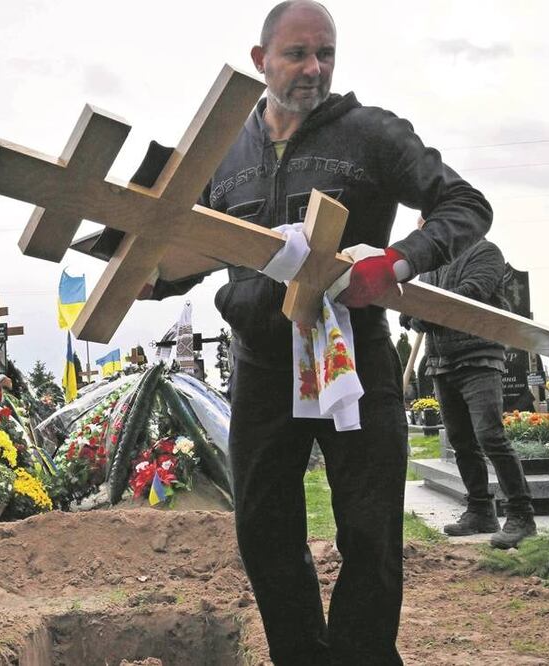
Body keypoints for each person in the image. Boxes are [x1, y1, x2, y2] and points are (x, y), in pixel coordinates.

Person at [144, 2, 492, 662]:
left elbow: (464, 205)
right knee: (263, 529)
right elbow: (190, 244)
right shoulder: (221, 150)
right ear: (260, 60)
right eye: (297, 53)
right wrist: (148, 276)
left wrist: (397, 259)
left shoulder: (373, 134)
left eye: (324, 53)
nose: (313, 68)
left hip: (352, 358)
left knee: (369, 529)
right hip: (263, 365)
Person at [400, 239, 536, 549]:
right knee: (461, 441)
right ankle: (480, 510)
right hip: (441, 362)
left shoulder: (485, 253)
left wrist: (426, 311)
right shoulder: (432, 263)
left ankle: (521, 515)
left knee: (490, 436)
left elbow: (471, 293)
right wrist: (407, 310)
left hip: (479, 357)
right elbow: (418, 298)